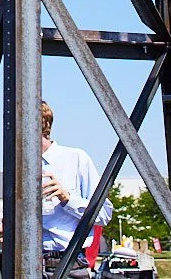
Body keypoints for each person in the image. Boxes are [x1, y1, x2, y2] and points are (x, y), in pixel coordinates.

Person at [40, 103, 110, 271]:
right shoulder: (18, 165)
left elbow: (104, 214)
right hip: (27, 263)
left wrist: (67, 199)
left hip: (70, 262)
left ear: (44, 123)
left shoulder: (76, 159)